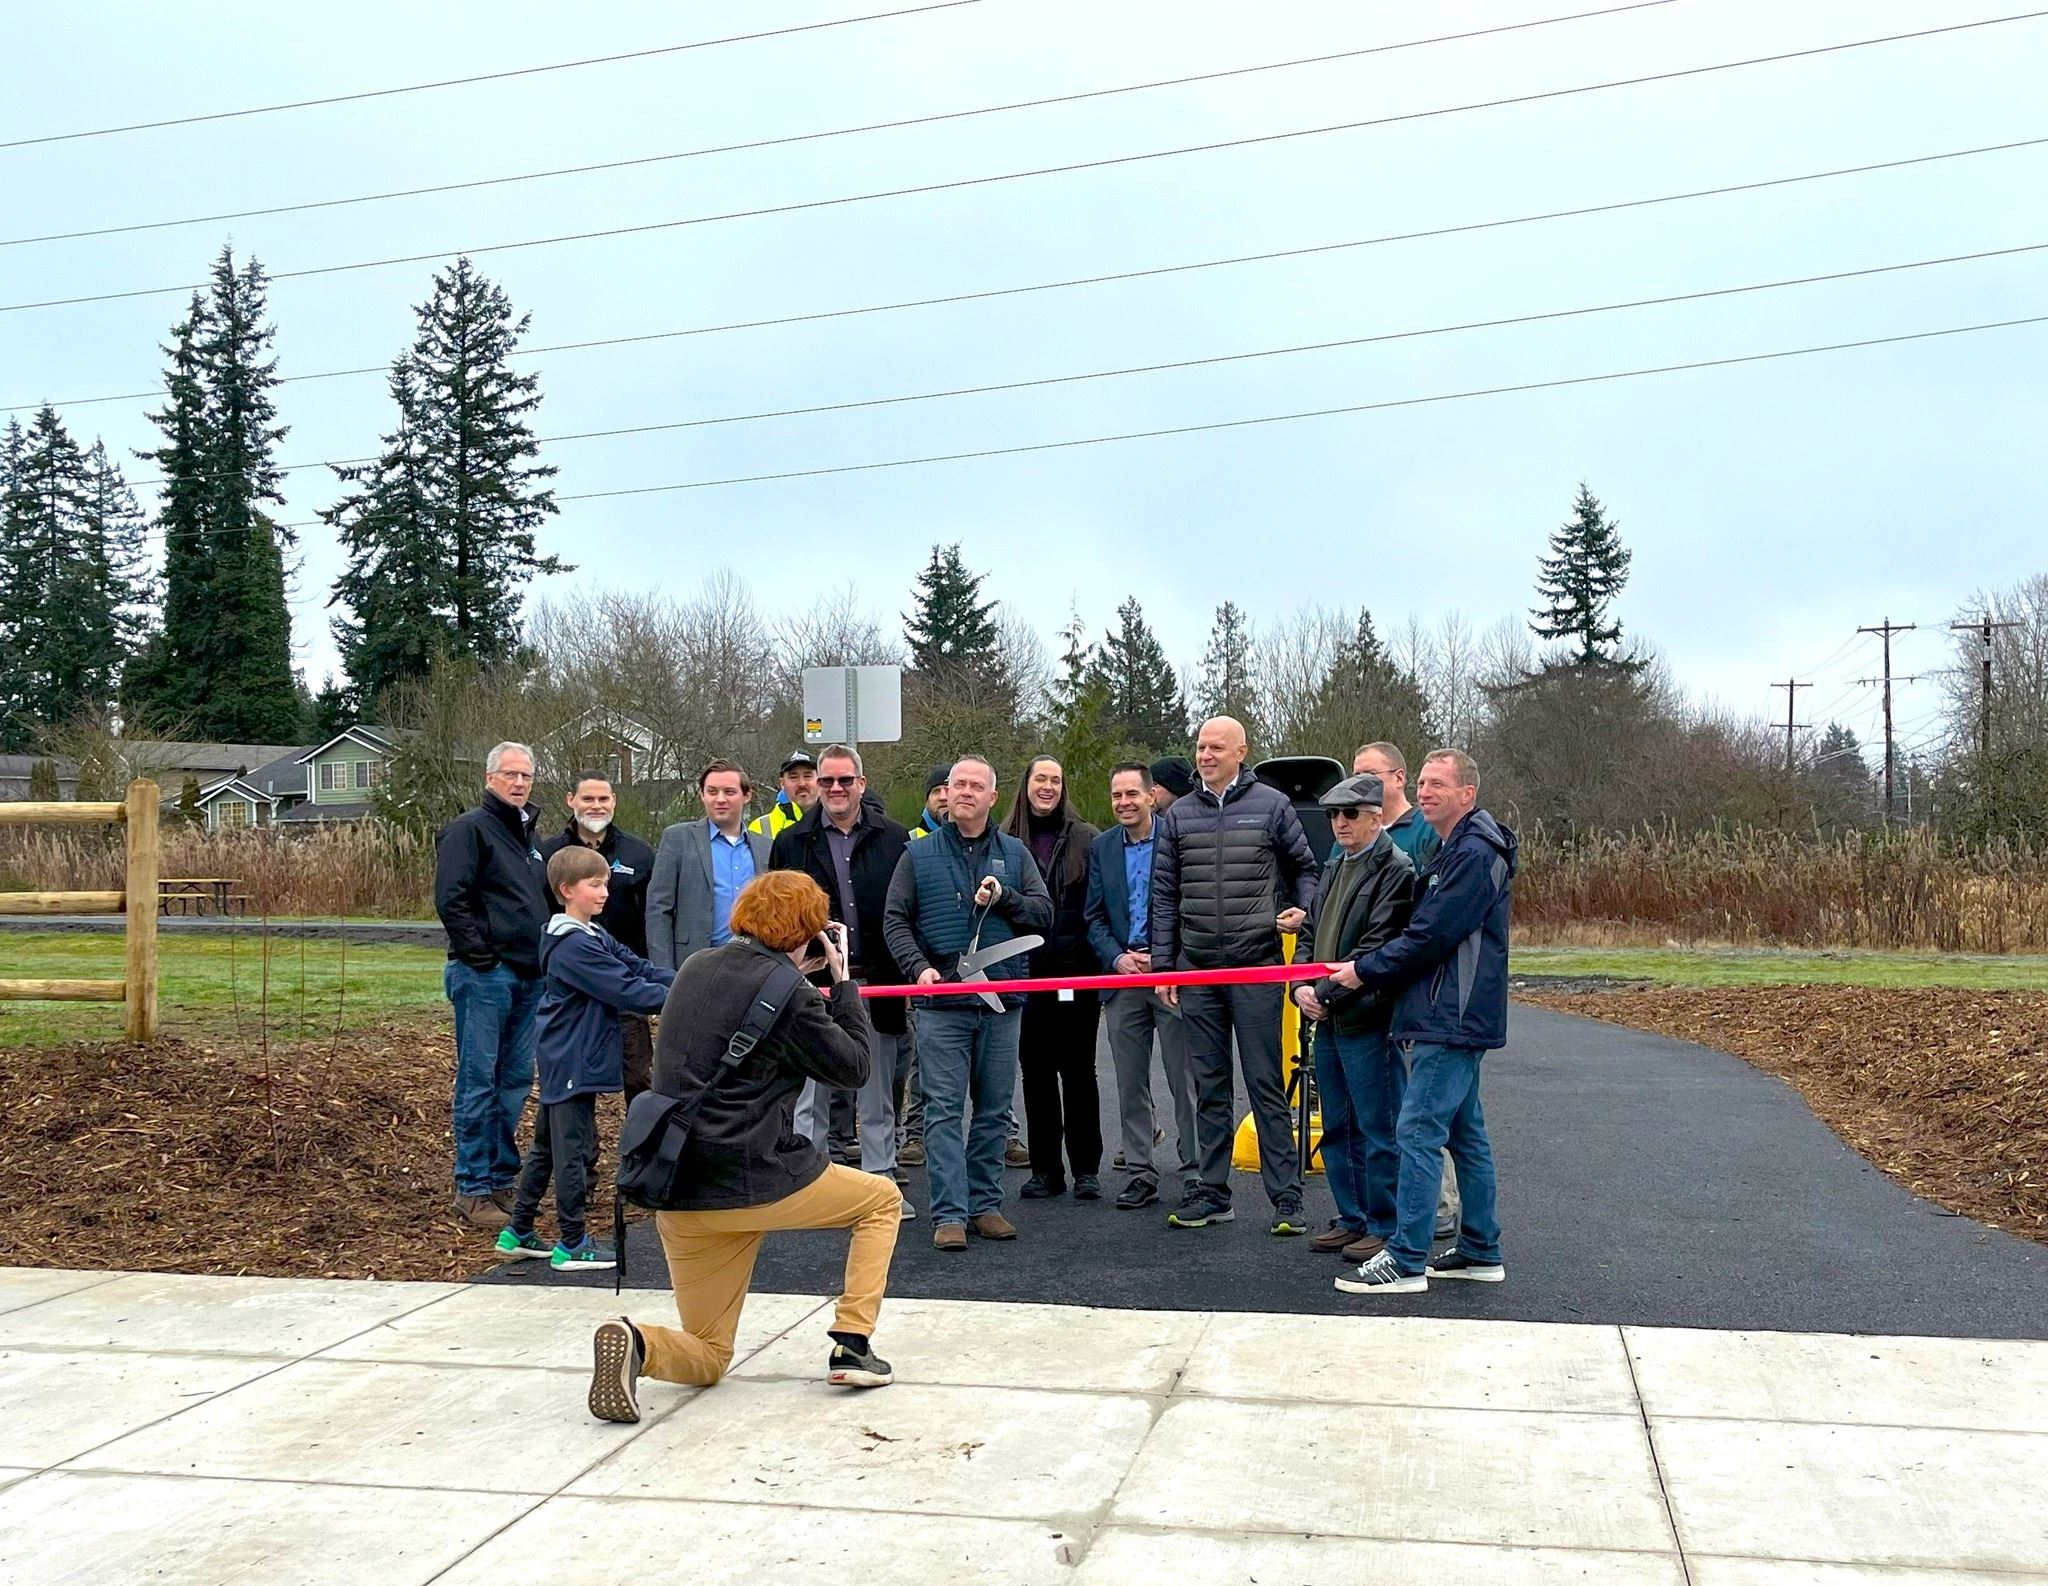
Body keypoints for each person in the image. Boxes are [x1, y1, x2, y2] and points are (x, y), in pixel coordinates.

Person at [587, 871, 901, 1423]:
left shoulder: (695, 968)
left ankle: (639, 1343)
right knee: (880, 1201)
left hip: (678, 1184)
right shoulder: (795, 998)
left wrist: (793, 975)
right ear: (808, 931)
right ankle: (853, 1342)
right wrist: (843, 981)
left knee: (709, 1355)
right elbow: (853, 1067)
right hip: (757, 1177)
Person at [1329, 748, 1516, 1296]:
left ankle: (1407, 1258)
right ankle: (1481, 1248)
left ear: (1467, 794)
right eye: (1425, 783)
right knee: (1465, 1131)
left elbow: (1430, 934)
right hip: (1445, 1012)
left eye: (1439, 784)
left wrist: (1363, 970)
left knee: (1417, 1128)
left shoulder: (1475, 853)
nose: (1427, 792)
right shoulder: (1453, 847)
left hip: (1450, 1016)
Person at [1151, 717, 1319, 1235]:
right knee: (1210, 1088)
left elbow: (1307, 869)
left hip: (1256, 967)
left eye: (1216, 747)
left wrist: (1302, 909)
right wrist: (1164, 969)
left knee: (1266, 1085)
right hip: (1196, 970)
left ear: (1241, 752)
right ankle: (1213, 1192)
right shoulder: (1178, 815)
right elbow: (1163, 896)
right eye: (1200, 746)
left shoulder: (1272, 805)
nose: (1205, 754)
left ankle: (1286, 1199)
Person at [882, 755, 1052, 1251]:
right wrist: (918, 968)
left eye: (977, 786)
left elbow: (1043, 914)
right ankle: (950, 1213)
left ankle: (986, 1205)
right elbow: (895, 919)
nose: (965, 793)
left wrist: (1006, 899)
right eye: (958, 785)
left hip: (1003, 1000)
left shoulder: (1016, 854)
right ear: (944, 794)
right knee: (942, 1110)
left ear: (993, 797)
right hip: (942, 1005)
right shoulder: (918, 854)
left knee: (995, 1109)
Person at [500, 846, 675, 1271]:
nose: (604, 893)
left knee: (545, 1147)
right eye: (594, 885)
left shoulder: (593, 935)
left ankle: (518, 1231)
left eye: (605, 885)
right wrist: (687, 1000)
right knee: (574, 1150)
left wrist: (692, 979)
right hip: (572, 1060)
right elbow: (627, 990)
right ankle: (572, 1242)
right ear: (566, 890)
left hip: (574, 1058)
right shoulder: (572, 946)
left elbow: (638, 967)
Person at [771, 744, 914, 1213]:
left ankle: (881, 1183)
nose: (835, 789)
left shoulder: (895, 839)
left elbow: (905, 911)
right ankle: (809, 1188)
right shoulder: (791, 843)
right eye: (827, 780)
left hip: (876, 981)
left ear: (861, 784)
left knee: (876, 1091)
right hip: (810, 985)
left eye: (845, 780)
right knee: (810, 1091)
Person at [1289, 773, 1417, 1263]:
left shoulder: (1395, 869)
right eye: (1334, 816)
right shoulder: (1335, 865)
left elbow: (1379, 945)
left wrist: (1323, 993)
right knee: (1338, 1124)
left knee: (1379, 1127)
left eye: (1350, 815)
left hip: (1368, 1017)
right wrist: (1300, 985)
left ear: (1376, 817)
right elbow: (1309, 931)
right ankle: (1352, 1217)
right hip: (1332, 1018)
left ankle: (1385, 1224)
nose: (1340, 824)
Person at [434, 741, 552, 1229]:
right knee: (479, 1082)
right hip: (486, 975)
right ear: (490, 778)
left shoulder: (530, 839)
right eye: (510, 775)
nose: (519, 783)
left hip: (528, 976)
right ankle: (472, 1188)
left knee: (514, 1081)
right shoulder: (470, 831)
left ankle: (501, 1177)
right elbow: (451, 898)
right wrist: (481, 956)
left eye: (525, 776)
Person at [1350, 741, 1456, 1238]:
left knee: (1425, 1108)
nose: (1362, 784)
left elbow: (1425, 919)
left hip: (1414, 989)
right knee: (1387, 1111)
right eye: (1355, 774)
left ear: (1397, 778)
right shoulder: (1349, 831)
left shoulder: (1424, 835)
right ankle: (1391, 1211)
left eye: (1371, 775)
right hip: (1367, 992)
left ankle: (1437, 1208)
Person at [1086, 761, 1198, 1211]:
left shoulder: (1178, 838)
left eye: (1133, 793)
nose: (1124, 803)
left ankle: (1195, 1171)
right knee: (1130, 1084)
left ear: (1152, 796)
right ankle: (1139, 1171)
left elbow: (1193, 905)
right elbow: (1092, 916)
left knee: (1184, 1081)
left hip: (1170, 976)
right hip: (1123, 978)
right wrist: (1116, 958)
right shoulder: (1102, 848)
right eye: (1117, 795)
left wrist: (1165, 956)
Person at [1000, 756, 1102, 1201]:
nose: (1048, 786)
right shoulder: (1003, 841)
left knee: (1079, 1072)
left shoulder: (1087, 838)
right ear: (1025, 785)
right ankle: (1045, 1171)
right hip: (1024, 975)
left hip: (1076, 975)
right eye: (1040, 778)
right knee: (1035, 1073)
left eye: (1056, 780)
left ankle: (1086, 1170)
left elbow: (1098, 906)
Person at [538, 771, 657, 1106]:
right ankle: (571, 1152)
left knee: (638, 1074)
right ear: (570, 800)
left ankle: (641, 1151)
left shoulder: (639, 853)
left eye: (603, 799)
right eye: (587, 798)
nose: (596, 806)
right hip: (574, 988)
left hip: (624, 976)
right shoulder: (550, 854)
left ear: (614, 802)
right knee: (572, 1080)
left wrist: (653, 971)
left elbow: (654, 913)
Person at [646, 759, 770, 971]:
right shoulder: (678, 838)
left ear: (747, 796)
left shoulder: (765, 847)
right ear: (702, 795)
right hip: (695, 963)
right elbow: (658, 909)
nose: (720, 799)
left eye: (729, 792)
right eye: (712, 791)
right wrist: (663, 972)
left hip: (754, 964)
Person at [748, 750, 819, 842]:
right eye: (794, 777)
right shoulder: (759, 828)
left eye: (807, 776)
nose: (801, 783)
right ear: (782, 783)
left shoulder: (835, 823)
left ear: (820, 780)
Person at [907, 765, 950, 839]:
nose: (943, 797)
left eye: (948, 790)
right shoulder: (911, 840)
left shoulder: (974, 839)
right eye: (936, 791)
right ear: (927, 801)